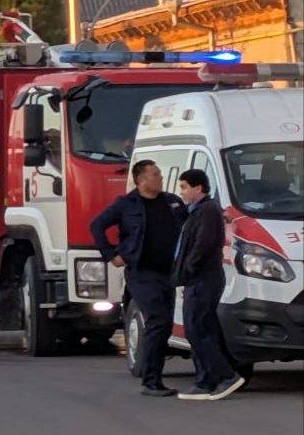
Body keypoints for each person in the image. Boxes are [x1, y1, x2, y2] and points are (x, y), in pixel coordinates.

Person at [90, 159, 186, 397]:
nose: (160, 178)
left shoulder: (172, 202)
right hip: (142, 273)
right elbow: (97, 225)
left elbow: (191, 222)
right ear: (141, 180)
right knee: (158, 321)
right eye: (155, 174)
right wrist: (111, 255)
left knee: (163, 326)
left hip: (168, 273)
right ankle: (151, 381)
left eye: (159, 173)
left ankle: (154, 378)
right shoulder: (126, 204)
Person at [173, 169, 245, 401]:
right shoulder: (198, 211)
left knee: (197, 328)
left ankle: (225, 376)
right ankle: (205, 381)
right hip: (199, 277)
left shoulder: (207, 211)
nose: (181, 192)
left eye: (184, 187)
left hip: (204, 277)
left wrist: (186, 271)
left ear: (198, 188)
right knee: (201, 328)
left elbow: (201, 246)